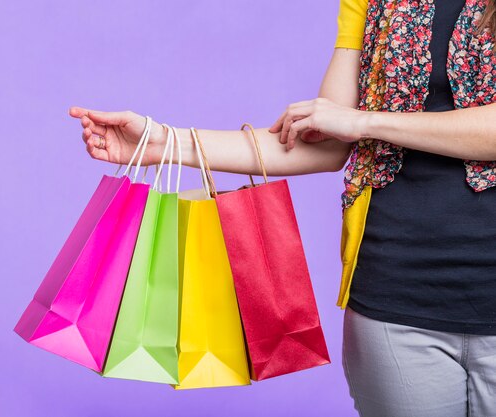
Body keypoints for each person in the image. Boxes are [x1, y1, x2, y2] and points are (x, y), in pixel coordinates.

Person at [69, 0, 496, 415]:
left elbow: (350, 124)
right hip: (394, 299)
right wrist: (165, 143)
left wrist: (366, 122)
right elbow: (326, 142)